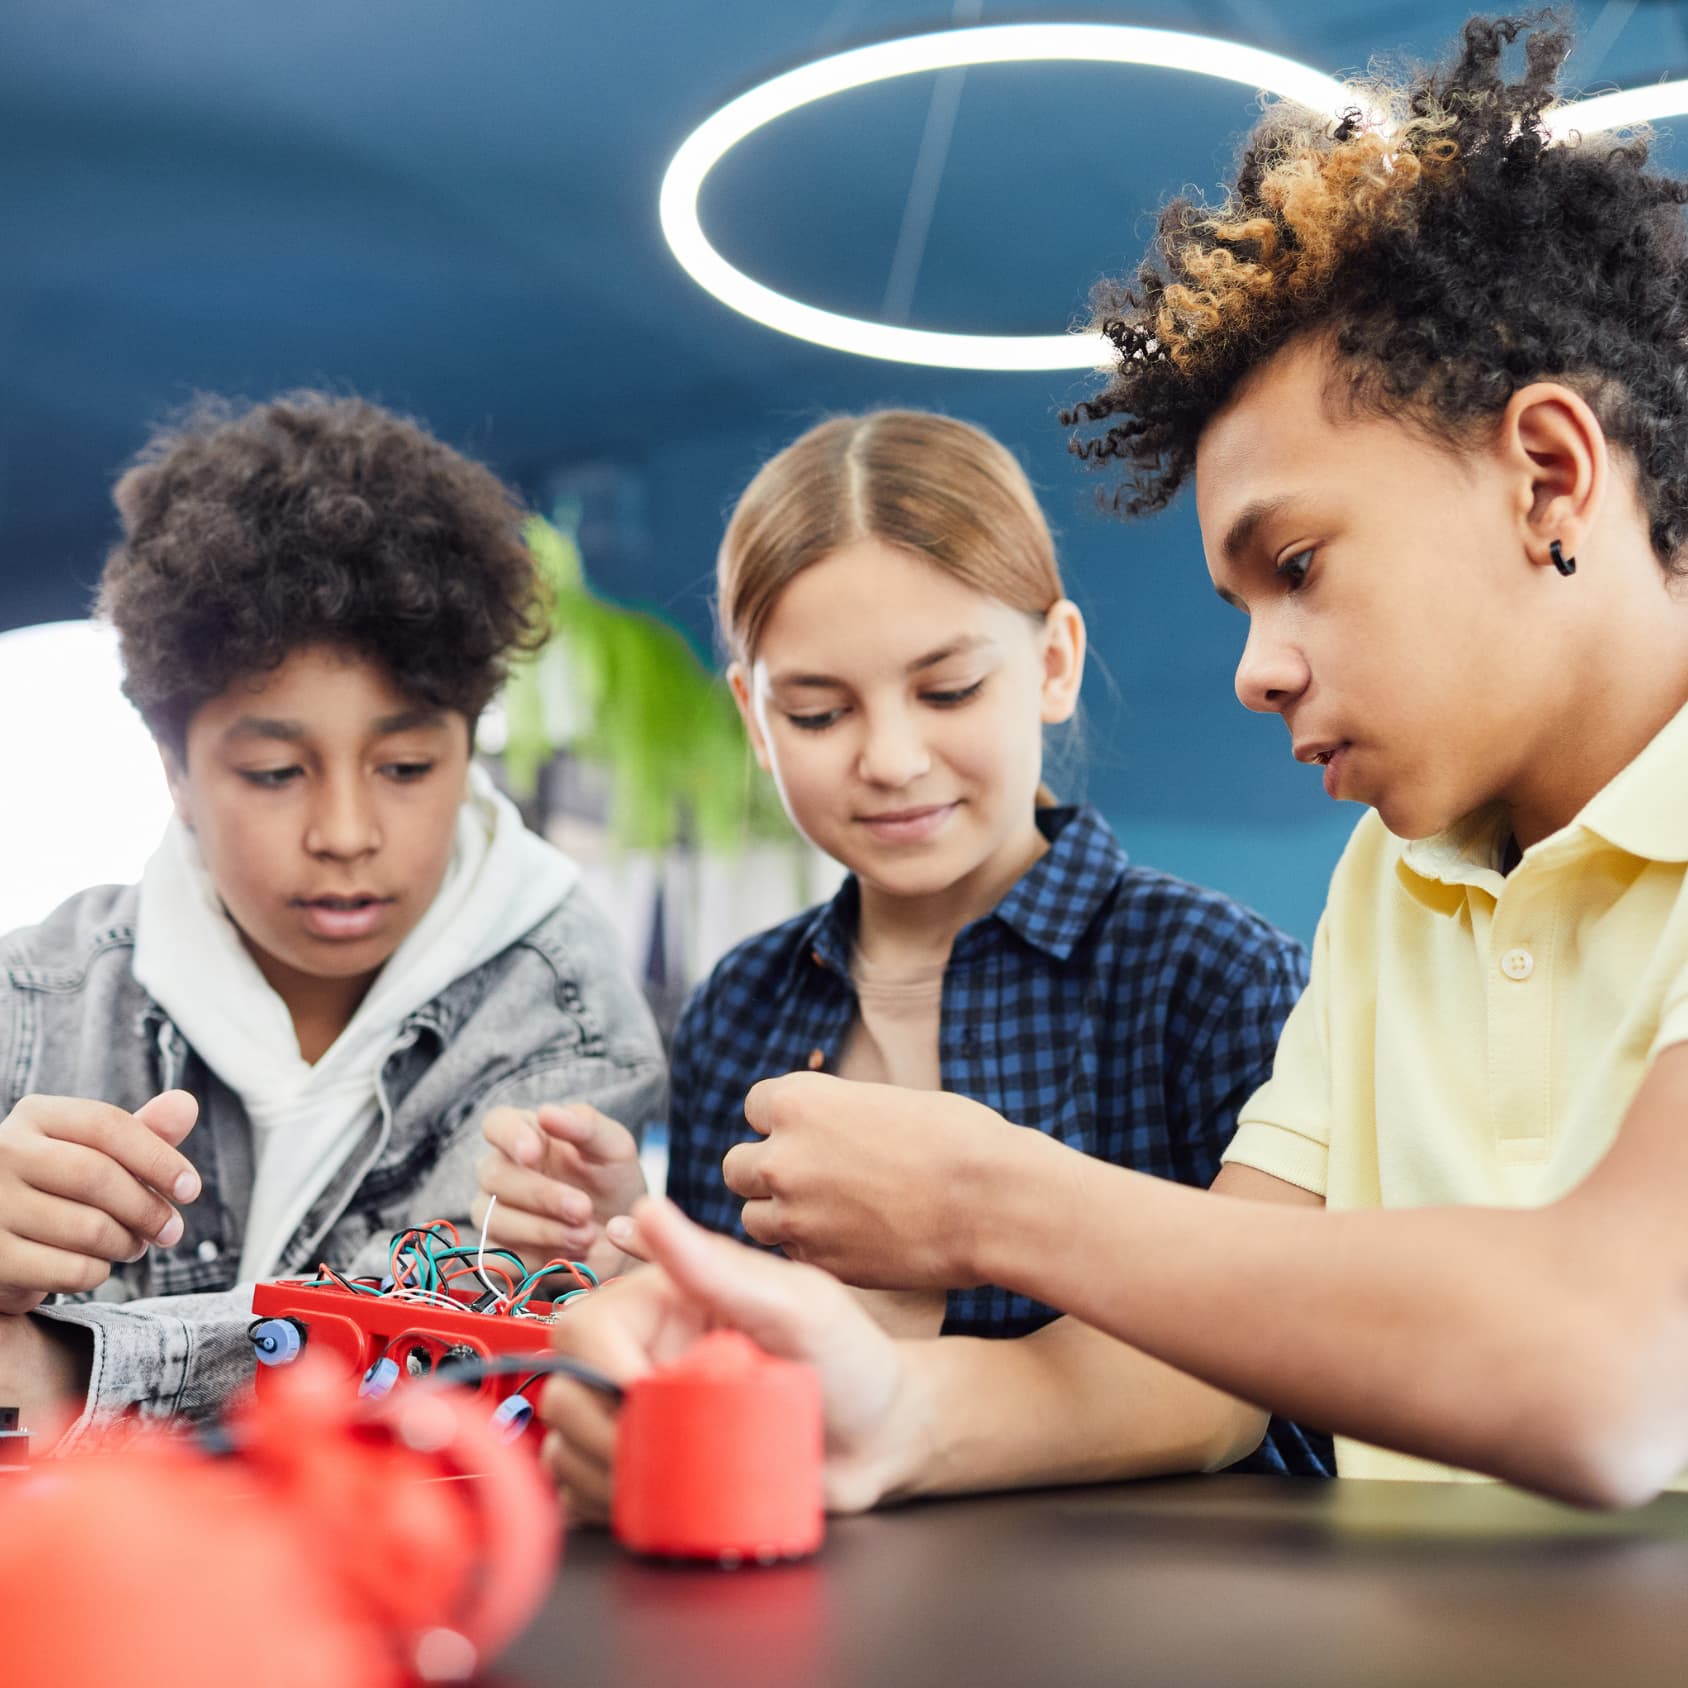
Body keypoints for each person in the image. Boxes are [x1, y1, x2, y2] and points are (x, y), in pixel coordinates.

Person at [538, 13, 1688, 1511]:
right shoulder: (1395, 885)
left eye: (1297, 562)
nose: (1256, 666)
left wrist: (989, 1202)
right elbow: (1207, 1363)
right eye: (1240, 602)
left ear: (1550, 473)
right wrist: (880, 1411)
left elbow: (1613, 1367)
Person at [480, 407, 1331, 1483]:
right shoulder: (742, 1003)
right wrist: (628, 1246)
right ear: (752, 718)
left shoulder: (1212, 974)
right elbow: (726, 1375)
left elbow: (1273, 1378)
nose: (888, 757)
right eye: (819, 711)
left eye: (947, 689)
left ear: (1054, 661)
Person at [0, 392, 665, 1443]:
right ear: (173, 767)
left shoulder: (561, 1022)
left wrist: (70, 1366)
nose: (347, 829)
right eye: (273, 771)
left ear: (469, 742)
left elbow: (419, 1368)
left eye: (405, 766)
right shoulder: (35, 999)